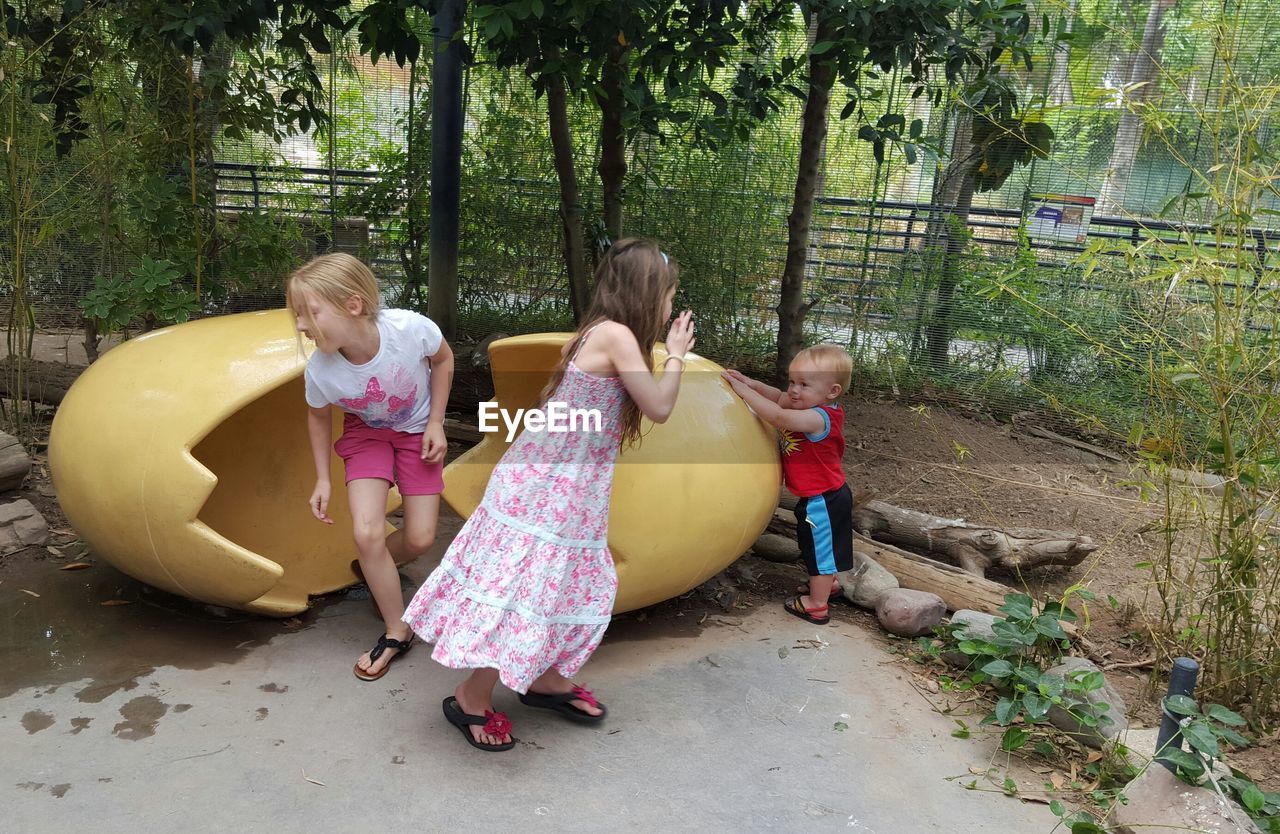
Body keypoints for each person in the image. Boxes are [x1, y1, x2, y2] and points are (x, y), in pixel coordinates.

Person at [403, 238, 695, 752]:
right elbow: (659, 408)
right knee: (526, 590)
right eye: (669, 294)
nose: (672, 306)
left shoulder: (596, 332)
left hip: (561, 488)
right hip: (547, 491)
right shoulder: (619, 337)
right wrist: (675, 357)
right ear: (649, 294)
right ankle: (470, 698)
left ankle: (544, 678)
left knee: (565, 585)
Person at [287, 253, 454, 681]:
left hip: (418, 432)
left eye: (310, 313)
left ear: (354, 305)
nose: (301, 325)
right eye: (297, 315)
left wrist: (436, 421)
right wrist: (323, 477)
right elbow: (318, 416)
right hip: (367, 435)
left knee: (418, 539)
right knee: (367, 531)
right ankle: (397, 630)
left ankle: (371, 564)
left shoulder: (410, 329)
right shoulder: (321, 371)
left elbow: (444, 360)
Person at [723, 344, 853, 625]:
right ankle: (826, 586)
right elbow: (779, 397)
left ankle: (817, 605)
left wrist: (744, 393)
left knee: (819, 551)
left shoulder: (817, 417)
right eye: (793, 381)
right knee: (816, 547)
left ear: (832, 392)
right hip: (820, 496)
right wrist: (752, 383)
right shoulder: (806, 403)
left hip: (824, 499)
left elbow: (778, 416)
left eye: (804, 384)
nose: (793, 390)